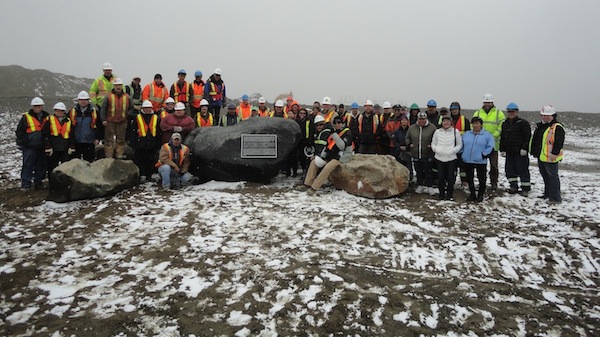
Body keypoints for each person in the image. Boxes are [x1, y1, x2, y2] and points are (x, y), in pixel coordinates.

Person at [296, 116, 353, 195]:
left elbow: (341, 146)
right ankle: (307, 183)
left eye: (339, 123)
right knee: (314, 162)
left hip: (341, 157)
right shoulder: (334, 132)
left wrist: (334, 134)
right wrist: (322, 155)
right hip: (330, 155)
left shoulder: (347, 133)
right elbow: (327, 145)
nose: (337, 125)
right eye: (335, 123)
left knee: (327, 167)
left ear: (343, 123)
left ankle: (314, 187)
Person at [530, 105, 565, 204]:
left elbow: (559, 142)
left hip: (551, 158)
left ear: (553, 116)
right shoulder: (541, 126)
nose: (545, 117)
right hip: (542, 156)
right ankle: (548, 194)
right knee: (546, 177)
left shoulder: (557, 127)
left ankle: (555, 198)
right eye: (543, 115)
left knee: (552, 178)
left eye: (547, 115)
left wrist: (555, 153)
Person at [16, 97, 49, 190]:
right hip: (29, 147)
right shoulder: (26, 117)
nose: (37, 108)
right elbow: (20, 132)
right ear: (32, 107)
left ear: (42, 106)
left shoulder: (47, 117)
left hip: (42, 146)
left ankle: (38, 183)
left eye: (39, 106)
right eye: (35, 106)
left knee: (41, 165)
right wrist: (23, 143)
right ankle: (26, 184)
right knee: (28, 165)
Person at [473, 93, 505, 190]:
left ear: (492, 102)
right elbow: (473, 125)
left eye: (489, 102)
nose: (487, 104)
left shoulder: (499, 113)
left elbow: (501, 126)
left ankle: (494, 182)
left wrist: (493, 136)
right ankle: (482, 181)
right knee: (481, 165)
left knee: (493, 165)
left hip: (493, 145)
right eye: (486, 102)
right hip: (481, 145)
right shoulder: (478, 113)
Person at [499, 102, 532, 195]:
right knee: (510, 170)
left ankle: (525, 188)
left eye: (513, 111)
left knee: (522, 170)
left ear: (517, 112)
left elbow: (527, 137)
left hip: (520, 152)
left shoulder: (523, 123)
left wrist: (524, 148)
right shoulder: (505, 123)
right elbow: (503, 137)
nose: (511, 113)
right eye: (509, 111)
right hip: (509, 152)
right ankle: (513, 186)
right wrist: (502, 149)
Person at [461, 116, 495, 202]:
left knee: (481, 178)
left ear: (481, 125)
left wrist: (484, 155)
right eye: (473, 124)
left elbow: (490, 146)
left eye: (477, 123)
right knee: (469, 178)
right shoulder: (467, 134)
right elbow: (461, 144)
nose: (475, 125)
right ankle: (472, 194)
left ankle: (480, 195)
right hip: (467, 160)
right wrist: (461, 153)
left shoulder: (487, 135)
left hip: (480, 160)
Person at [432, 115, 463, 200]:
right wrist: (435, 149)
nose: (446, 123)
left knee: (450, 177)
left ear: (451, 122)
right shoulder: (437, 132)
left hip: (451, 158)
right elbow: (433, 143)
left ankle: (449, 194)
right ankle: (441, 194)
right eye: (444, 121)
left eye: (448, 121)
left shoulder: (455, 131)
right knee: (440, 177)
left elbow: (459, 144)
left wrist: (453, 151)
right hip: (439, 157)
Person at [101, 78, 133, 159]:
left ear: (122, 86)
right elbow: (103, 108)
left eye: (119, 85)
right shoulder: (108, 96)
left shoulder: (127, 97)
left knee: (121, 140)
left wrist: (127, 114)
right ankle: (109, 156)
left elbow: (131, 108)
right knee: (109, 140)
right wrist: (103, 119)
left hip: (122, 122)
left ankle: (119, 155)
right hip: (110, 121)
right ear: (114, 86)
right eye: (116, 85)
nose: (118, 87)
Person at [405, 111, 437, 193]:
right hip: (416, 153)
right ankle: (420, 185)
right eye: (419, 119)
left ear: (426, 119)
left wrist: (432, 145)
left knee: (428, 171)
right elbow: (407, 137)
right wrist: (409, 144)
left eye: (423, 119)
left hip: (427, 153)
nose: (421, 121)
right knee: (418, 171)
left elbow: (436, 137)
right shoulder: (412, 128)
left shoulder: (432, 127)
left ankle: (429, 186)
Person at [130, 100, 161, 182]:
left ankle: (149, 175)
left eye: (149, 108)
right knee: (140, 160)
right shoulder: (137, 117)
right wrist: (133, 144)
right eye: (146, 108)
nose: (147, 109)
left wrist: (158, 144)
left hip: (152, 143)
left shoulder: (156, 117)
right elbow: (132, 132)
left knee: (151, 160)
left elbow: (158, 131)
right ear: (142, 108)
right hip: (140, 143)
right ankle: (141, 175)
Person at [43, 102, 75, 175]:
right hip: (53, 148)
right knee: (52, 167)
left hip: (65, 148)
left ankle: (64, 184)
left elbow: (72, 135)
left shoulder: (69, 121)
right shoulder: (49, 120)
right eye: (57, 111)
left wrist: (72, 146)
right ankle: (52, 184)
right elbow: (45, 134)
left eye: (61, 111)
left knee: (66, 168)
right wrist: (48, 146)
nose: (59, 112)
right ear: (55, 111)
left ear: (64, 111)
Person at [69, 91, 101, 162]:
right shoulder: (72, 112)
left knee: (89, 162)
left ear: (88, 101)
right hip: (76, 142)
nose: (83, 102)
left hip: (89, 142)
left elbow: (99, 126)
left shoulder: (94, 112)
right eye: (81, 100)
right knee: (75, 163)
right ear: (78, 100)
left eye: (85, 100)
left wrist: (98, 138)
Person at [450, 101, 471, 186]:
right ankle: (452, 180)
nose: (454, 111)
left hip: (462, 147)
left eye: (456, 109)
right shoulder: (448, 120)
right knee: (453, 165)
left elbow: (468, 133)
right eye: (452, 109)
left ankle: (464, 181)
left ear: (459, 110)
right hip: (451, 147)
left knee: (463, 166)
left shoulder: (464, 120)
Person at [392, 115, 412, 181]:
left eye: (405, 120)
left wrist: (407, 147)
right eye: (402, 120)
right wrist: (399, 147)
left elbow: (412, 139)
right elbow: (394, 141)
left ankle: (409, 180)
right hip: (399, 152)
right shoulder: (397, 131)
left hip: (408, 152)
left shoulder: (410, 130)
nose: (404, 122)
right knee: (399, 167)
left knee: (408, 168)